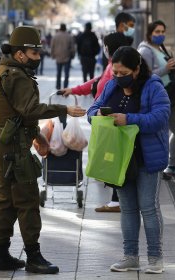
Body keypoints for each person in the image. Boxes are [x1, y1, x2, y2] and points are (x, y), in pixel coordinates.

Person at [0, 25, 86, 274]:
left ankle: (0, 255)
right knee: (27, 200)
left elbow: (17, 113)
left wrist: (37, 135)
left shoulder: (5, 69)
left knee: (6, 200)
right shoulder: (17, 76)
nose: (38, 57)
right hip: (13, 144)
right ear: (21, 54)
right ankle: (33, 256)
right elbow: (30, 110)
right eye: (34, 53)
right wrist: (63, 110)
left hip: (5, 139)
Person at [87, 46, 170, 274]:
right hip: (120, 158)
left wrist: (130, 119)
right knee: (128, 208)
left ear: (136, 69)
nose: (118, 77)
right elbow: (91, 110)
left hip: (146, 157)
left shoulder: (153, 86)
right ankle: (130, 257)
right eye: (115, 72)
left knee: (148, 207)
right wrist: (98, 115)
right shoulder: (112, 85)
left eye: (123, 72)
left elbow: (161, 117)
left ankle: (155, 258)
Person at [61, 33, 131, 213]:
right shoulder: (110, 67)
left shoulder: (117, 69)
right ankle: (117, 199)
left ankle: (118, 201)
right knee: (111, 158)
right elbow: (96, 83)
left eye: (105, 45)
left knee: (114, 158)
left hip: (112, 121)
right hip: (104, 120)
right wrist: (74, 90)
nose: (104, 49)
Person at [138, 20, 175, 179]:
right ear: (150, 33)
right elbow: (146, 75)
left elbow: (163, 71)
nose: (160, 35)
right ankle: (166, 165)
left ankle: (168, 165)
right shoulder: (145, 50)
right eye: (157, 32)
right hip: (160, 97)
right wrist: (166, 69)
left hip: (168, 95)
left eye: (162, 32)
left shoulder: (158, 47)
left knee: (172, 130)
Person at [50, 23, 76, 89]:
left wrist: (52, 55)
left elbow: (52, 46)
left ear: (60, 28)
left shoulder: (55, 36)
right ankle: (65, 86)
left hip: (58, 57)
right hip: (67, 57)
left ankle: (58, 86)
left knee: (58, 73)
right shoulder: (69, 36)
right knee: (66, 73)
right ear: (65, 28)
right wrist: (72, 55)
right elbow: (73, 47)